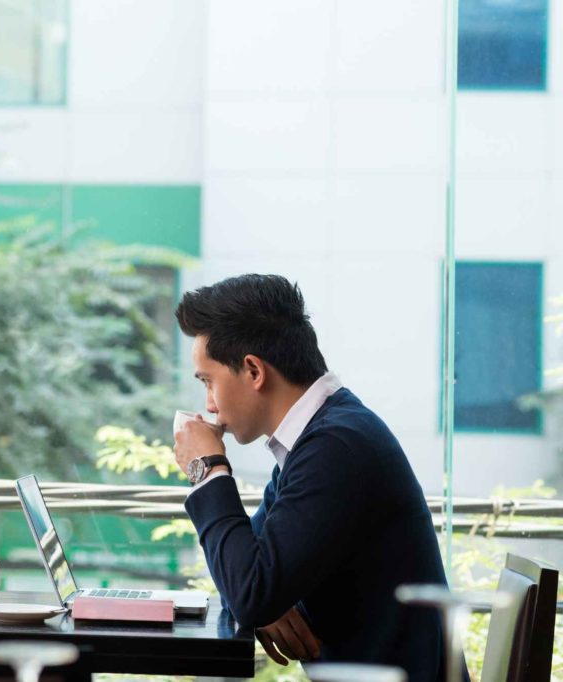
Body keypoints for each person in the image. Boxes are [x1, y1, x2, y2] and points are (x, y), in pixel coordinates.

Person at [172, 274, 456, 682]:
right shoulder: (319, 437)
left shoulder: (336, 447)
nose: (209, 405)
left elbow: (250, 591)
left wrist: (207, 468)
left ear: (253, 370)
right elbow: (246, 578)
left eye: (209, 381)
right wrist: (263, 597)